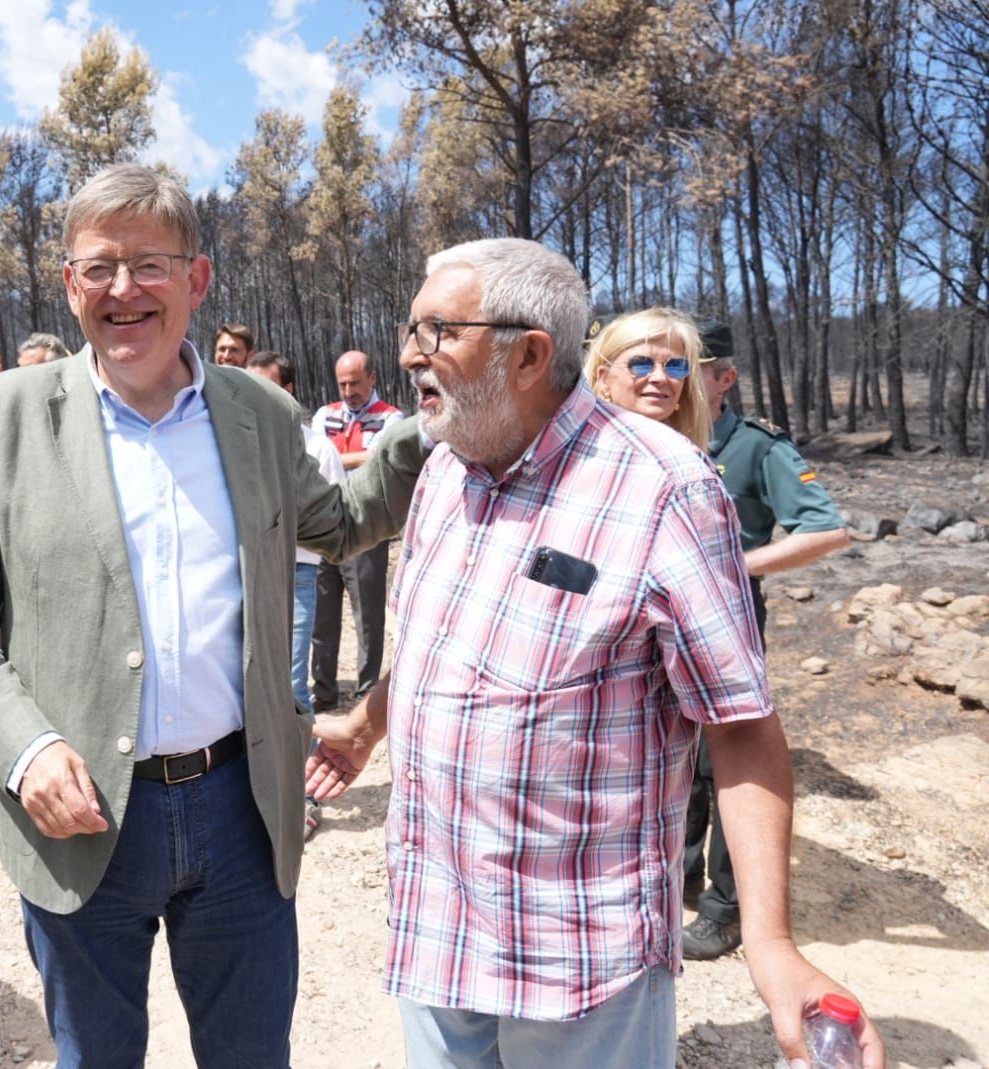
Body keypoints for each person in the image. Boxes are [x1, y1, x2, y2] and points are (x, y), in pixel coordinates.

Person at [306, 238, 883, 1069]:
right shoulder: (442, 474)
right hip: (436, 925)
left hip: (575, 955)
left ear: (529, 354)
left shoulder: (664, 486)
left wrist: (772, 941)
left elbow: (741, 725)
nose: (409, 353)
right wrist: (367, 724)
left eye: (436, 330)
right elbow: (444, 650)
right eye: (410, 326)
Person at [0, 163, 428, 1067]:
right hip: (81, 821)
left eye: (149, 265)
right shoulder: (2, 415)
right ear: (70, 283)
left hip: (243, 810)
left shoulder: (259, 413)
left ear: (196, 279)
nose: (125, 291)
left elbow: (345, 524)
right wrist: (24, 747)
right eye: (99, 267)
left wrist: (430, 418)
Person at [681, 319, 851, 960]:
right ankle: (680, 878)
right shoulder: (647, 441)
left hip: (726, 619)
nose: (672, 382)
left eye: (689, 369)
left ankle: (726, 912)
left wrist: (736, 564)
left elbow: (827, 530)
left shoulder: (755, 447)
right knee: (680, 757)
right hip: (659, 625)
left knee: (729, 758)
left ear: (724, 379)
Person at [248, 349, 347, 842]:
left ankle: (302, 793)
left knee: (289, 681)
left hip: (297, 575)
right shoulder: (232, 443)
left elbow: (335, 518)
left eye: (264, 385)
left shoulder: (318, 447)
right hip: (244, 576)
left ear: (287, 391)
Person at [310, 349, 404, 709]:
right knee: (323, 613)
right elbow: (312, 459)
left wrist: (330, 457)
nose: (349, 391)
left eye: (355, 383)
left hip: (368, 524)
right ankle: (323, 692)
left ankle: (366, 691)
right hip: (324, 521)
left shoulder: (392, 418)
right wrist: (353, 459)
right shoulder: (325, 414)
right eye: (343, 384)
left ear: (373, 379)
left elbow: (379, 460)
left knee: (367, 614)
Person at [584, 307, 713, 449]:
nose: (660, 377)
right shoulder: (574, 454)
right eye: (641, 365)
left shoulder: (687, 458)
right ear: (604, 378)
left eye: (675, 366)